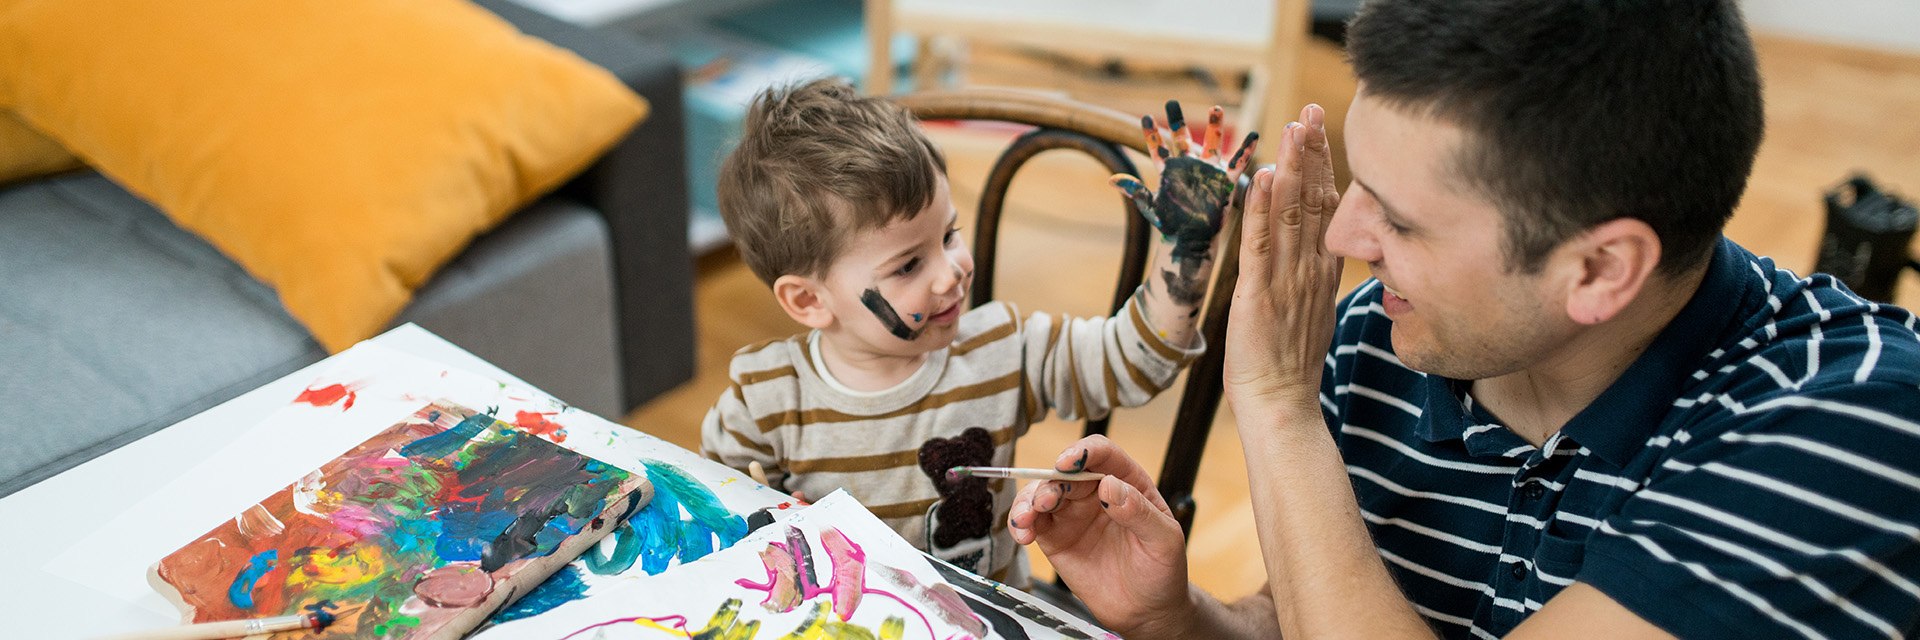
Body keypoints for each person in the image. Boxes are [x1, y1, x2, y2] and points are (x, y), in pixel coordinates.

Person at [1008, 0, 1920, 637]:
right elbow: (1323, 621)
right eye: (1358, 180)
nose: (1343, 234)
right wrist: (1181, 622)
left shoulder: (1854, 428)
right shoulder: (1394, 336)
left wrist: (1279, 409)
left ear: (1600, 269)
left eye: (1399, 220)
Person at [700, 77, 1258, 587]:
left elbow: (1133, 362)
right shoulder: (765, 396)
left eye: (949, 234)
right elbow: (716, 503)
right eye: (908, 266)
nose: (953, 270)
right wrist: (768, 518)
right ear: (809, 300)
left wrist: (1187, 253)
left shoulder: (1001, 349)